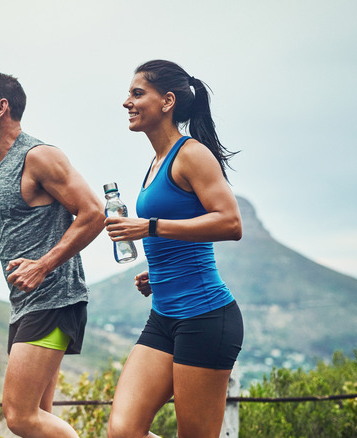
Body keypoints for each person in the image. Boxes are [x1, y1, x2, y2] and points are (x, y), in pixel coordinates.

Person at [0, 72, 104, 438]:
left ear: (2, 107)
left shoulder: (39, 156)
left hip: (54, 299)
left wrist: (44, 265)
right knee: (39, 419)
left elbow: (94, 213)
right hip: (26, 303)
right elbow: (9, 242)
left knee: (19, 415)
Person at [105, 60, 244, 438]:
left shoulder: (192, 154)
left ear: (167, 101)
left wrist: (148, 226)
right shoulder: (156, 162)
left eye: (137, 94)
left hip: (205, 318)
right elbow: (183, 229)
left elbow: (230, 223)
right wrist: (161, 274)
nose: (126, 103)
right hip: (163, 316)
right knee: (123, 430)